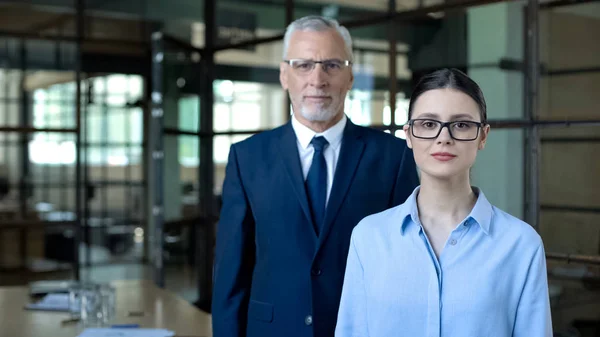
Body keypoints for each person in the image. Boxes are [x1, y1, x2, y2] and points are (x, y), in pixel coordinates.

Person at [211, 15, 419, 337]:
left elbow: (407, 270)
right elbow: (230, 276)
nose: (318, 79)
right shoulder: (247, 158)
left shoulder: (394, 158)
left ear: (350, 75)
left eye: (332, 65)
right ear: (284, 75)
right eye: (303, 65)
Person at [335, 68, 553, 337]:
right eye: (428, 124)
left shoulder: (521, 244)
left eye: (461, 124)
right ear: (409, 135)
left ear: (483, 136)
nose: (443, 137)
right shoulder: (369, 237)